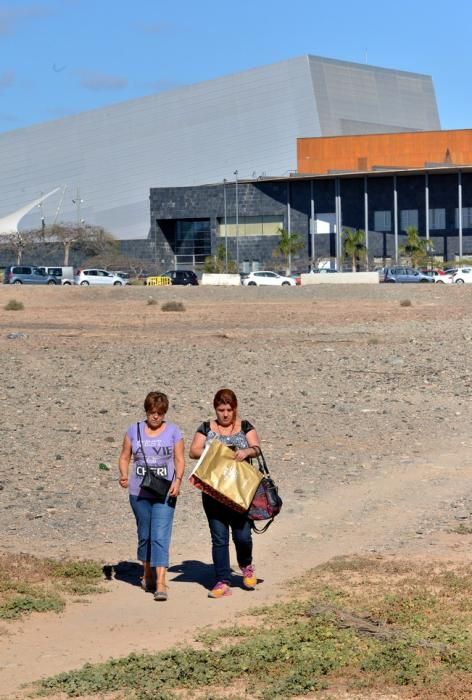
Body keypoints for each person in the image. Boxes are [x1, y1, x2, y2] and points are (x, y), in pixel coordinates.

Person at [189, 388, 261, 598]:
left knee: (243, 536)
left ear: (235, 408)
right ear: (215, 409)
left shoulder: (245, 426)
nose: (225, 414)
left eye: (229, 409)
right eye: (221, 410)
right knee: (219, 538)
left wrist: (246, 451)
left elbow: (257, 448)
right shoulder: (206, 428)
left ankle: (246, 566)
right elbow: (193, 451)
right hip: (214, 492)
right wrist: (215, 452)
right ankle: (222, 580)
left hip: (240, 491)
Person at [119, 391, 184, 601]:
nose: (155, 416)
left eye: (159, 413)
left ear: (164, 413)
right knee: (145, 534)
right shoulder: (133, 430)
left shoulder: (174, 432)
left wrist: (178, 480)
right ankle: (147, 572)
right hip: (139, 492)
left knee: (160, 536)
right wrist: (123, 475)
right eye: (151, 412)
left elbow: (180, 459)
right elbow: (125, 457)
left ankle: (161, 582)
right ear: (146, 411)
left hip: (165, 492)